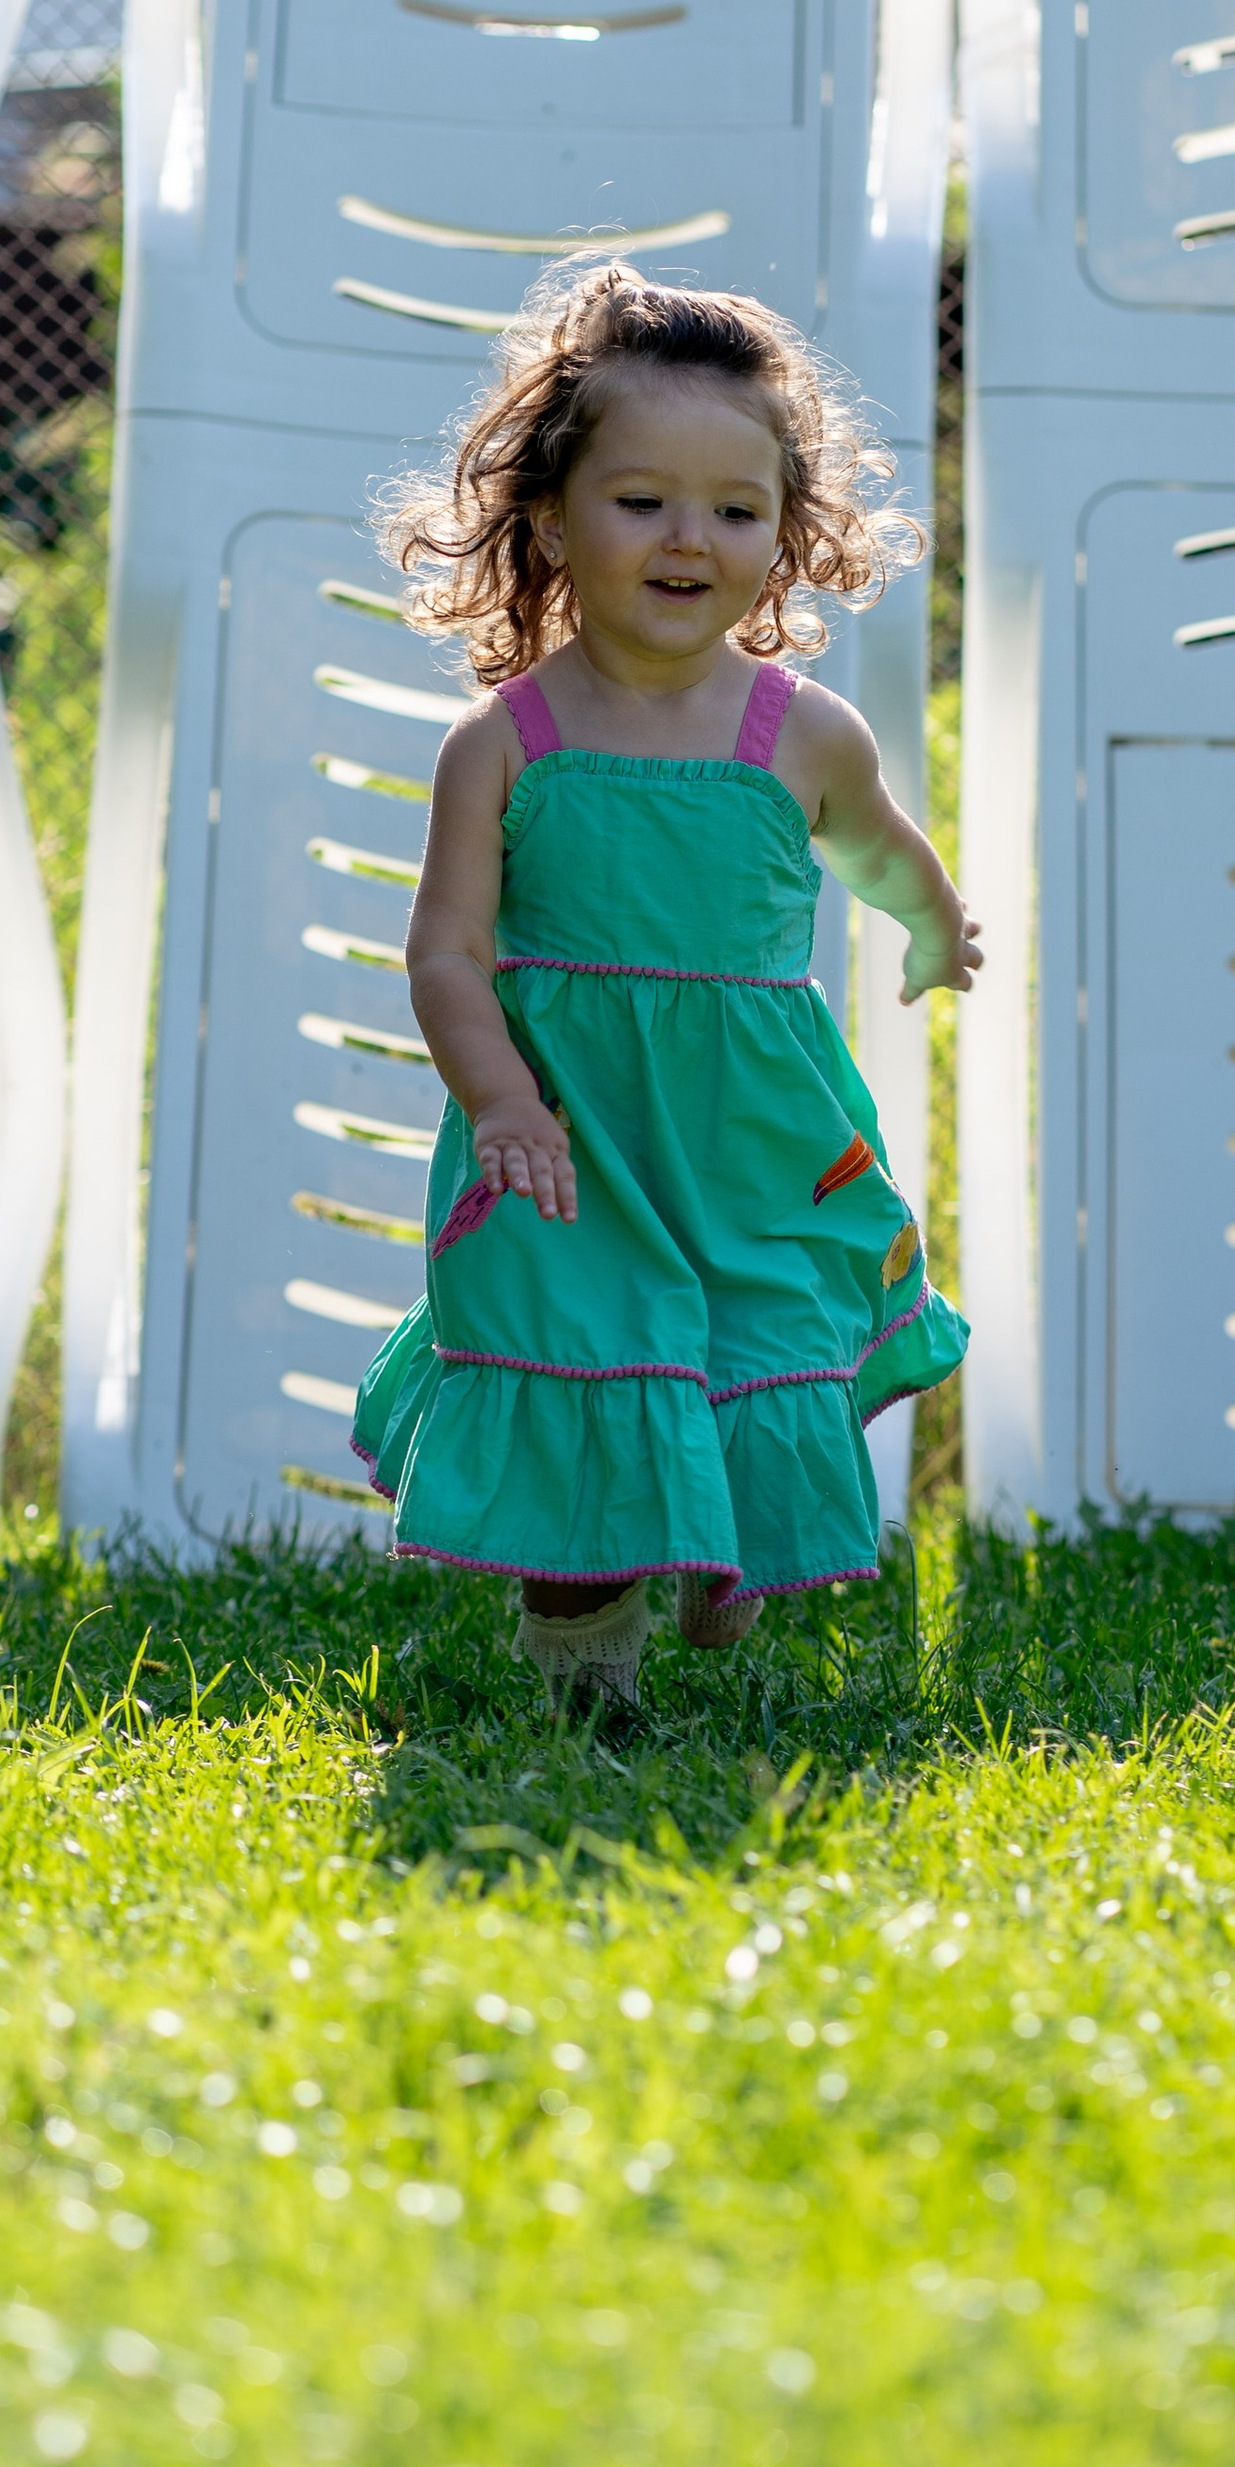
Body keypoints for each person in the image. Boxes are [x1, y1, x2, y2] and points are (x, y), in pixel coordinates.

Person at [349, 262, 978, 1710]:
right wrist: (499, 1099)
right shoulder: (504, 745)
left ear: (788, 533)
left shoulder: (805, 735)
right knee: (590, 1360)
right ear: (551, 517)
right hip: (572, 1142)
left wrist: (936, 927)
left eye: (737, 510)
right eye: (642, 501)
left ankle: (714, 1550)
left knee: (761, 1342)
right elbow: (445, 952)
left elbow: (881, 851)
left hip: (751, 1137)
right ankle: (590, 1683)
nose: (691, 538)